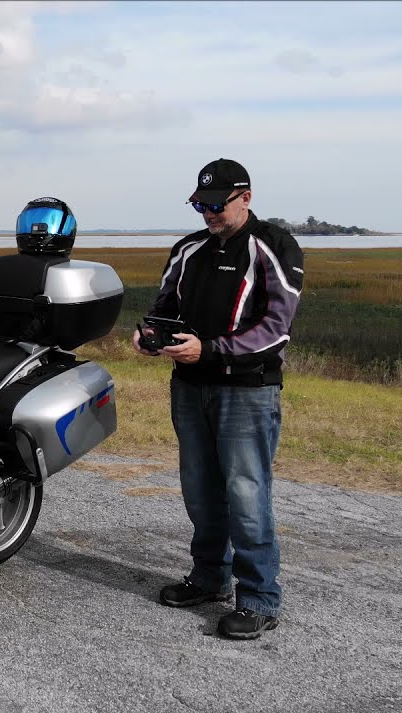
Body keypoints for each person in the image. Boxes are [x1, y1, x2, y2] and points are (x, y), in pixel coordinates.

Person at [132, 158, 304, 640]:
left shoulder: (273, 244)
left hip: (247, 389)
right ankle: (210, 578)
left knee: (246, 493)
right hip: (189, 386)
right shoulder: (188, 248)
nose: (208, 213)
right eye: (200, 204)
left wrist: (209, 348)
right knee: (200, 489)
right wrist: (150, 334)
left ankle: (259, 599)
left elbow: (276, 327)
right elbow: (163, 306)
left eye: (216, 204)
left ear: (245, 197)